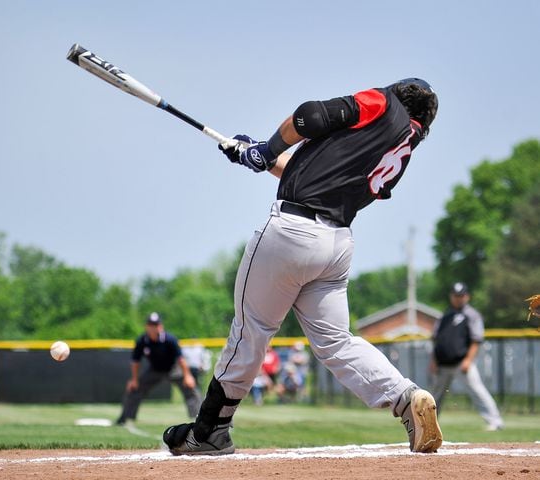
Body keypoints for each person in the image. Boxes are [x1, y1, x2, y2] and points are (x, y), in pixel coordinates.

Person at [163, 78, 442, 455]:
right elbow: (315, 174)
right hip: (336, 246)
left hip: (291, 233)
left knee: (252, 329)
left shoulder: (383, 104)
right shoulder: (398, 148)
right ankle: (406, 397)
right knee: (336, 342)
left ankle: (210, 429)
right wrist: (257, 155)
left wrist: (268, 147)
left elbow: (310, 115)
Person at [430, 282, 504, 431]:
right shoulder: (445, 315)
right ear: (451, 297)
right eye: (455, 295)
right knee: (435, 396)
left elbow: (476, 340)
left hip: (461, 362)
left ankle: (495, 421)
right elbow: (436, 339)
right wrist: (433, 360)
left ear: (467, 296)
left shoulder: (472, 315)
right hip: (442, 364)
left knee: (477, 390)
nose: (458, 298)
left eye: (461, 295)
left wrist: (468, 360)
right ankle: (429, 425)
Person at [116, 312, 202, 425]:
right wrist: (134, 379)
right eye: (151, 325)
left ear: (161, 326)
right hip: (155, 370)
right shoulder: (142, 341)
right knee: (134, 389)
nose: (153, 328)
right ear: (146, 326)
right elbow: (135, 362)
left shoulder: (170, 339)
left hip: (173, 369)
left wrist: (187, 376)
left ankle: (200, 419)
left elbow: (181, 359)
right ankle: (125, 418)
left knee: (192, 390)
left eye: (156, 325)